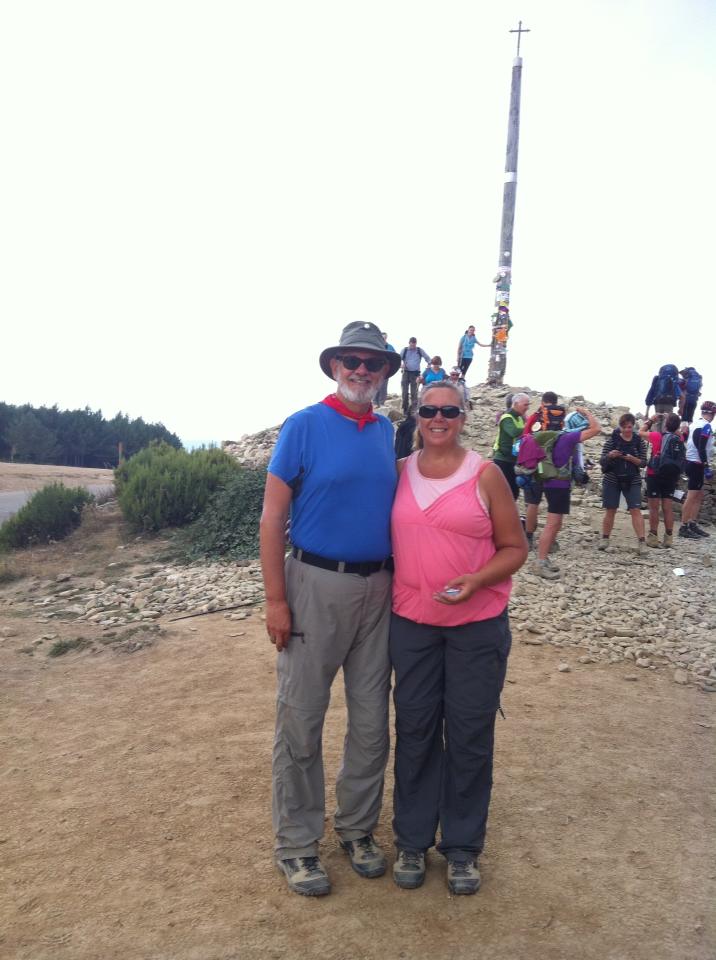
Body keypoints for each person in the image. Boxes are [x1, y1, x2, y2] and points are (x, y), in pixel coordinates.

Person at [259, 321, 401, 898]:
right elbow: (272, 519)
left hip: (380, 591)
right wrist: (275, 598)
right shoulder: (303, 426)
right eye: (352, 359)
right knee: (302, 718)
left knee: (372, 723)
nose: (361, 370)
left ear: (387, 371)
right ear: (334, 365)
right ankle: (296, 844)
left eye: (372, 362)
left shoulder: (386, 430)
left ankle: (357, 830)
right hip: (314, 584)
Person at [389, 382, 528, 894]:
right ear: (417, 415)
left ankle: (463, 847)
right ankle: (411, 839)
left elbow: (515, 547)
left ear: (466, 416)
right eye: (429, 410)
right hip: (412, 624)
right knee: (416, 730)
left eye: (449, 410)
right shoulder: (400, 471)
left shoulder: (486, 475)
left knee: (469, 736)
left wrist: (476, 580)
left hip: (477, 626)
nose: (438, 418)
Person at [531, 408, 602, 579]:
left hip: (551, 483)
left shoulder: (552, 437)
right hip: (559, 485)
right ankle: (540, 562)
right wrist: (587, 413)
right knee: (552, 524)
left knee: (556, 523)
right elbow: (597, 429)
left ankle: (544, 557)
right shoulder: (568, 437)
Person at [597, 413, 648, 554]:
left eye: (630, 427)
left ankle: (642, 543)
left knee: (635, 510)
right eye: (624, 427)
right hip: (612, 478)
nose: (627, 430)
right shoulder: (612, 441)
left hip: (633, 479)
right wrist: (610, 455)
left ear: (633, 426)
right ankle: (605, 538)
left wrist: (631, 459)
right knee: (610, 509)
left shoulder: (639, 441)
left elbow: (643, 462)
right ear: (620, 427)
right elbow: (602, 461)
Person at [639, 412, 683, 548]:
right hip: (671, 476)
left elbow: (640, 432)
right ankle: (668, 538)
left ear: (665, 424)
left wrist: (651, 421)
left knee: (654, 508)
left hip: (655, 474)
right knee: (667, 507)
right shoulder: (679, 438)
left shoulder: (657, 436)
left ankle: (653, 537)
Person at [678, 399, 715, 539]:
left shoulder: (695, 424)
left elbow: (688, 439)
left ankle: (692, 523)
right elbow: (701, 446)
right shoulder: (706, 426)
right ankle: (683, 526)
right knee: (692, 496)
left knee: (698, 495)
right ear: (713, 414)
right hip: (696, 463)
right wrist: (706, 465)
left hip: (691, 461)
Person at [491, 392, 530, 500]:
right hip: (503, 459)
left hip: (514, 460)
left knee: (513, 491)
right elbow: (514, 432)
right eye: (525, 405)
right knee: (504, 491)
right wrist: (530, 428)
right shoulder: (506, 418)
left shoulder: (519, 418)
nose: (527, 408)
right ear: (516, 403)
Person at [645, 364, 681, 431]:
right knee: (667, 421)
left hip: (658, 402)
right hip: (669, 403)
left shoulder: (657, 379)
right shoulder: (674, 379)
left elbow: (651, 393)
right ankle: (665, 439)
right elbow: (680, 394)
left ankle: (657, 438)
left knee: (658, 421)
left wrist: (647, 412)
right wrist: (680, 408)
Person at [400, 337, 431, 415]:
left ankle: (413, 411)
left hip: (415, 374)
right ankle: (405, 410)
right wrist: (401, 365)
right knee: (404, 392)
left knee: (414, 393)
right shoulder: (405, 350)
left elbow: (427, 358)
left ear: (416, 344)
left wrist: (429, 365)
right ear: (409, 343)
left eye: (414, 344)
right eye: (411, 344)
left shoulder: (419, 350)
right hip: (406, 373)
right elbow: (398, 359)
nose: (413, 346)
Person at [374, 332, 398, 407]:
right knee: (376, 385)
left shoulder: (390, 347)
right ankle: (374, 402)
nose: (383, 339)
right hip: (376, 369)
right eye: (382, 337)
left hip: (386, 370)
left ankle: (381, 402)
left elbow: (395, 356)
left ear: (386, 338)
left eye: (384, 337)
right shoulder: (376, 346)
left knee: (383, 386)